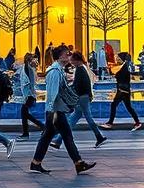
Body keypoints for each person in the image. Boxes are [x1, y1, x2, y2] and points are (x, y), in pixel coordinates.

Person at [29, 46, 95, 176]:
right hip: (55, 111)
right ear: (59, 56)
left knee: (55, 136)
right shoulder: (54, 72)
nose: (69, 55)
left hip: (56, 110)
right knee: (59, 136)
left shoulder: (58, 70)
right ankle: (78, 163)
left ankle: (37, 163)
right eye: (66, 54)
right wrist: (52, 112)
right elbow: (52, 93)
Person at [51, 51, 107, 150]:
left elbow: (78, 85)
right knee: (73, 119)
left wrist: (68, 88)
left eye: (72, 60)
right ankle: (58, 141)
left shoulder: (80, 70)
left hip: (82, 98)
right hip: (84, 97)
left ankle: (99, 136)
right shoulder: (81, 69)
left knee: (87, 118)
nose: (71, 62)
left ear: (77, 60)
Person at [102, 52, 142, 131]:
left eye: (118, 58)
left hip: (122, 90)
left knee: (114, 105)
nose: (117, 59)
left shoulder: (124, 67)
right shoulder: (123, 66)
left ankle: (110, 123)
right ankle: (137, 122)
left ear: (122, 59)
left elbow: (123, 79)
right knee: (128, 107)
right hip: (124, 90)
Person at [15, 52, 45, 141]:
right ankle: (42, 127)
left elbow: (31, 84)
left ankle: (26, 133)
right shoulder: (27, 68)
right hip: (28, 95)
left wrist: (31, 95)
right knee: (25, 114)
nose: (35, 60)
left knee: (24, 114)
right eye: (33, 59)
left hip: (29, 96)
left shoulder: (29, 69)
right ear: (28, 60)